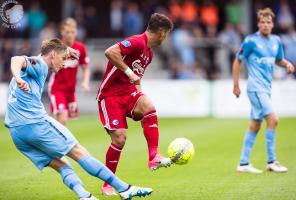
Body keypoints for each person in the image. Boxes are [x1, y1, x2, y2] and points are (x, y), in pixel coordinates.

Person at [4, 38, 152, 200]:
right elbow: (16, 59)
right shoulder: (39, 65)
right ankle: (124, 188)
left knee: (62, 165)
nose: (64, 64)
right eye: (62, 59)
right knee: (79, 152)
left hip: (17, 134)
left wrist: (67, 51)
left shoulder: (39, 62)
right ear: (53, 55)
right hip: (35, 123)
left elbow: (46, 50)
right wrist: (18, 78)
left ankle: (85, 196)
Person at [96, 13, 173, 195]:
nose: (167, 37)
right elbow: (110, 52)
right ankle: (107, 184)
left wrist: (139, 94)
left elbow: (137, 78)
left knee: (148, 106)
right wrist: (129, 72)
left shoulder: (149, 53)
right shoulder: (137, 41)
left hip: (128, 94)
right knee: (120, 139)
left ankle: (153, 156)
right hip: (111, 96)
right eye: (167, 33)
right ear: (161, 32)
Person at [232, 8, 295, 174]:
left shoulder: (276, 41)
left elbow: (278, 60)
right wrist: (236, 85)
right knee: (273, 119)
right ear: (258, 24)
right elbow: (237, 62)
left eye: (268, 22)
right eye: (262, 22)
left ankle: (243, 164)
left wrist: (287, 63)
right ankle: (272, 161)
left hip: (266, 89)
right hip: (255, 88)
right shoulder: (251, 41)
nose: (265, 25)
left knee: (254, 125)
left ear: (272, 24)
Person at [49, 18, 90, 126]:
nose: (70, 35)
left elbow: (85, 67)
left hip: (71, 90)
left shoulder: (80, 48)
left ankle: (54, 139)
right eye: (67, 32)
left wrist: (85, 82)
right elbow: (49, 65)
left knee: (65, 122)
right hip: (57, 87)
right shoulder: (57, 47)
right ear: (62, 32)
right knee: (63, 118)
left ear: (76, 32)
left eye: (72, 32)